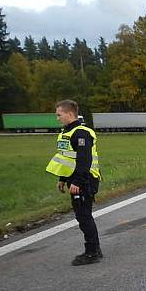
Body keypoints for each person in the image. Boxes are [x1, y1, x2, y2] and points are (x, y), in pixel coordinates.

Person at [45, 99, 102, 265]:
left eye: (59, 115)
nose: (57, 118)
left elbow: (84, 161)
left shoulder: (81, 133)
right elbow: (66, 158)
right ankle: (95, 250)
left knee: (84, 216)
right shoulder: (65, 133)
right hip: (76, 179)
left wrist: (77, 182)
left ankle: (92, 252)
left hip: (85, 180)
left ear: (69, 113)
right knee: (82, 215)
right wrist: (62, 179)